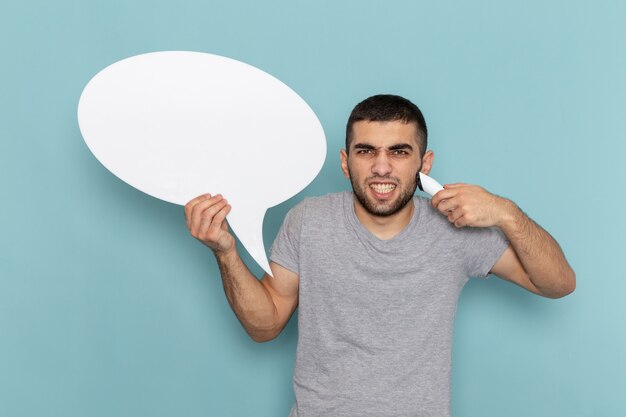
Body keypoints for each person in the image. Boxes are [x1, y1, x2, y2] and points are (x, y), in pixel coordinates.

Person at [184, 94, 575, 417]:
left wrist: (506, 212)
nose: (382, 167)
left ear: (425, 164)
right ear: (345, 161)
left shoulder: (455, 229)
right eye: (366, 151)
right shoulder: (309, 221)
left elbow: (558, 283)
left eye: (399, 152)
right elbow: (265, 326)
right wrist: (226, 252)